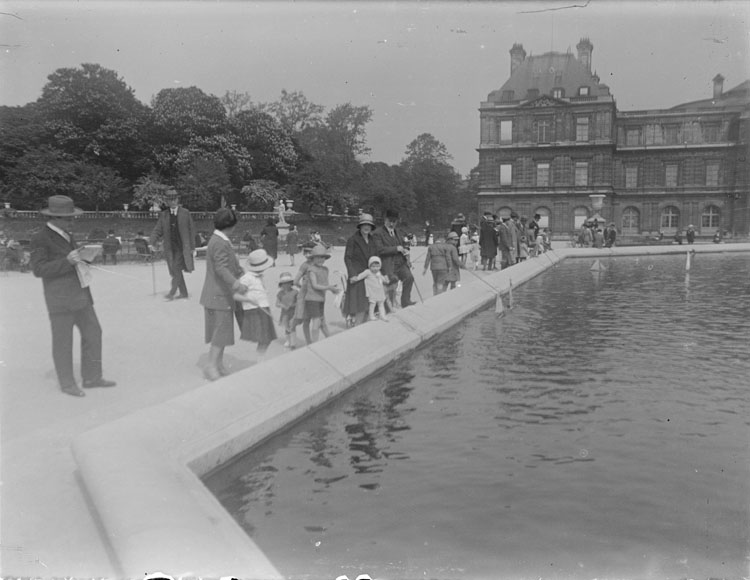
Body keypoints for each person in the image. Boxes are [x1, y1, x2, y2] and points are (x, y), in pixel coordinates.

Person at [30, 195, 116, 397]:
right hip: (60, 300)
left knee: (94, 333)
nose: (72, 221)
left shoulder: (66, 234)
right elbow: (39, 269)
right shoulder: (40, 238)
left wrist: (85, 259)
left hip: (81, 296)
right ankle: (67, 383)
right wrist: (68, 261)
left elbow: (72, 261)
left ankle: (92, 377)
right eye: (68, 218)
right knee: (63, 342)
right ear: (55, 218)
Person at [199, 208, 248, 381]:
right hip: (219, 295)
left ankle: (218, 364)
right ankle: (211, 366)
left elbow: (227, 264)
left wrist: (239, 271)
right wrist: (236, 283)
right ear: (230, 225)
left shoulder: (219, 239)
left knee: (224, 332)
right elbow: (220, 267)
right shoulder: (220, 242)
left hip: (219, 295)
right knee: (220, 333)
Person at [150, 188, 195, 300]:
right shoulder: (164, 215)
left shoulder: (185, 213)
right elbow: (158, 230)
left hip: (182, 247)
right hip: (170, 248)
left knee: (176, 268)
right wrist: (152, 241)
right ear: (167, 201)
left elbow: (191, 230)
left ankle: (172, 292)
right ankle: (184, 293)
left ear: (178, 200)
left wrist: (193, 247)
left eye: (174, 199)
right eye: (170, 200)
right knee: (176, 269)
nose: (173, 202)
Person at [234, 249, 277, 361]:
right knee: (264, 338)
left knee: (268, 338)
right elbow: (235, 295)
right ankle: (258, 361)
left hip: (263, 309)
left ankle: (259, 359)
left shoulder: (259, 276)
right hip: (254, 311)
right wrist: (248, 299)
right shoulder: (246, 278)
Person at [372, 209, 415, 308]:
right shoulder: (378, 233)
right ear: (385, 220)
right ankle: (388, 306)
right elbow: (379, 250)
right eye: (389, 221)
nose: (391, 223)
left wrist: (407, 258)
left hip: (401, 263)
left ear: (397, 221)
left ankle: (405, 301)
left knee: (409, 278)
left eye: (394, 221)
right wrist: (396, 248)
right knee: (392, 282)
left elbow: (404, 246)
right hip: (387, 264)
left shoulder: (398, 232)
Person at [343, 213, 378, 326]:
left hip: (370, 275)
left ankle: (364, 326)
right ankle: (357, 327)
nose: (366, 227)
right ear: (360, 226)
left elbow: (376, 257)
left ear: (372, 227)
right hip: (357, 276)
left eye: (369, 225)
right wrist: (352, 274)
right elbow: (347, 258)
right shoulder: (353, 240)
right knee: (360, 306)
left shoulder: (373, 240)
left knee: (370, 304)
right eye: (364, 225)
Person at [304, 244, 341, 343]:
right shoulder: (311, 270)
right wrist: (329, 288)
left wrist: (333, 289)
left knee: (322, 320)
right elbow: (315, 285)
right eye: (318, 257)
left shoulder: (325, 269)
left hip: (320, 298)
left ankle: (329, 340)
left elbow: (325, 283)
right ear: (313, 258)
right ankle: (314, 343)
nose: (321, 260)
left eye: (323, 257)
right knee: (316, 321)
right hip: (312, 299)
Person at [350, 255, 389, 322]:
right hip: (372, 292)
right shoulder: (368, 272)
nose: (375, 268)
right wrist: (355, 279)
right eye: (373, 266)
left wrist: (386, 280)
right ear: (369, 266)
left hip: (380, 291)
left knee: (381, 304)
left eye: (377, 266)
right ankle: (371, 316)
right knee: (372, 304)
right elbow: (360, 276)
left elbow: (382, 279)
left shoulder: (379, 273)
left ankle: (383, 315)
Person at [276, 271, 299, 348]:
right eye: (284, 283)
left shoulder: (295, 292)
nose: (286, 285)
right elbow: (277, 303)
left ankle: (293, 343)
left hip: (293, 312)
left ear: (291, 283)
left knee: (292, 326)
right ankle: (288, 341)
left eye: (288, 283)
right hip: (284, 313)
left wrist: (292, 305)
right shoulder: (280, 293)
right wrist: (282, 305)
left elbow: (299, 303)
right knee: (286, 327)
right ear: (281, 285)